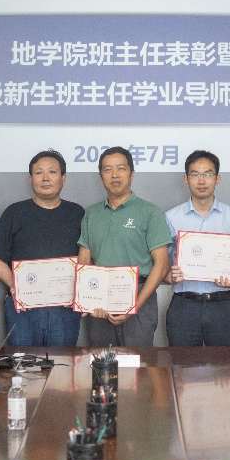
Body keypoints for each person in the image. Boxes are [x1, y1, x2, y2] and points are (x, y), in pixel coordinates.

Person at [77, 146, 172, 346]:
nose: (115, 175)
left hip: (140, 297)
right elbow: (84, 260)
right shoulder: (91, 213)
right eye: (108, 169)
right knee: (102, 361)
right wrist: (87, 299)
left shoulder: (150, 212)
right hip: (100, 301)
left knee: (138, 362)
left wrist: (134, 305)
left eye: (121, 168)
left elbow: (162, 264)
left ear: (132, 173)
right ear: (101, 177)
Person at [0, 150, 84, 346]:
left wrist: (80, 289)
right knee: (23, 363)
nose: (45, 178)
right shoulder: (14, 212)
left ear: (63, 178)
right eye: (39, 173)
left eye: (52, 172)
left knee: (62, 364)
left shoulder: (77, 213)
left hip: (64, 309)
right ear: (31, 179)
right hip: (23, 308)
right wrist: (14, 285)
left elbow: (86, 256)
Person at [163, 150, 230, 347]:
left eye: (208, 174)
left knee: (225, 364)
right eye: (195, 174)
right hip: (184, 306)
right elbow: (161, 264)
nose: (202, 181)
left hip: (222, 306)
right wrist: (169, 277)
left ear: (218, 178)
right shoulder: (171, 217)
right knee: (182, 364)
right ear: (186, 179)